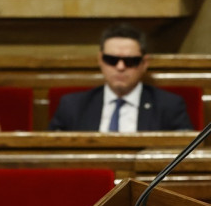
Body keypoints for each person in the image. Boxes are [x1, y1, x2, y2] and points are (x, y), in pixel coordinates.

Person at [48, 23, 194, 132]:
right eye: (111, 60)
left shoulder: (169, 106)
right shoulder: (73, 106)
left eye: (130, 61)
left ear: (144, 63)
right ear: (100, 60)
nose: (120, 67)